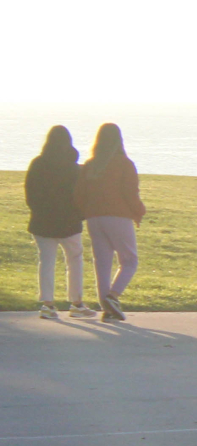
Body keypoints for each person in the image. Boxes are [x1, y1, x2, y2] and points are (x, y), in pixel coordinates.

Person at [72, 123, 145, 322]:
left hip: (94, 219)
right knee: (129, 260)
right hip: (118, 217)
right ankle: (113, 297)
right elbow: (130, 194)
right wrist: (139, 211)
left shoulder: (90, 165)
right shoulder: (124, 163)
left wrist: (86, 211)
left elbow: (79, 194)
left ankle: (108, 308)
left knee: (102, 264)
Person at [25, 125, 89, 321]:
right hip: (69, 223)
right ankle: (76, 303)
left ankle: (48, 305)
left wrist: (38, 212)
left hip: (42, 222)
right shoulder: (74, 167)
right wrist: (80, 216)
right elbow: (82, 196)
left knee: (46, 262)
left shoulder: (37, 163)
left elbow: (30, 194)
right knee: (75, 260)